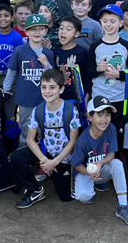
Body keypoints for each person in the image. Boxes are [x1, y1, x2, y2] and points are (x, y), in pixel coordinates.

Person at [10, 69, 81, 208]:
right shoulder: (38, 110)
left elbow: (73, 141)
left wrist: (54, 162)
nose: (47, 91)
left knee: (65, 197)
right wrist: (44, 160)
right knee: (16, 157)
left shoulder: (71, 109)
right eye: (44, 87)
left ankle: (61, 173)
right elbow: (30, 139)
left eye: (52, 87)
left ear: (61, 89)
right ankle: (34, 189)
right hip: (46, 153)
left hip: (63, 157)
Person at [72, 95, 128, 227]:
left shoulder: (110, 129)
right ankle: (91, 185)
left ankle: (122, 205)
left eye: (107, 114)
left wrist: (101, 163)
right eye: (99, 114)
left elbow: (111, 154)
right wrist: (89, 173)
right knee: (83, 196)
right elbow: (76, 165)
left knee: (117, 164)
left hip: (99, 168)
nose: (104, 119)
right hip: (85, 172)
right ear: (90, 117)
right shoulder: (83, 140)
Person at [2, 14, 55, 145]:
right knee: (25, 130)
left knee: (44, 130)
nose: (37, 32)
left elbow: (53, 78)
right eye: (33, 29)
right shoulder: (19, 51)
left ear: (46, 31)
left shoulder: (48, 53)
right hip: (25, 99)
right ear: (26, 31)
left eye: (41, 29)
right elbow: (11, 72)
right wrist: (5, 91)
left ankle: (43, 158)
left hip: (44, 99)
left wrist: (46, 64)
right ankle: (23, 157)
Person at [87, 4, 128, 137]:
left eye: (113, 21)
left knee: (117, 132)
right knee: (99, 131)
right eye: (105, 21)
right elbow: (88, 71)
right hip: (99, 96)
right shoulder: (95, 45)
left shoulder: (126, 46)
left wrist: (119, 74)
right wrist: (98, 69)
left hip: (119, 98)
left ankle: (116, 156)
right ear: (100, 23)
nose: (108, 25)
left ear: (121, 23)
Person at [52, 15, 89, 107]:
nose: (63, 32)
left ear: (76, 34)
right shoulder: (55, 53)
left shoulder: (82, 52)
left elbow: (87, 77)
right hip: (59, 99)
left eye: (68, 29)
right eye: (61, 28)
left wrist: (86, 99)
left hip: (77, 100)